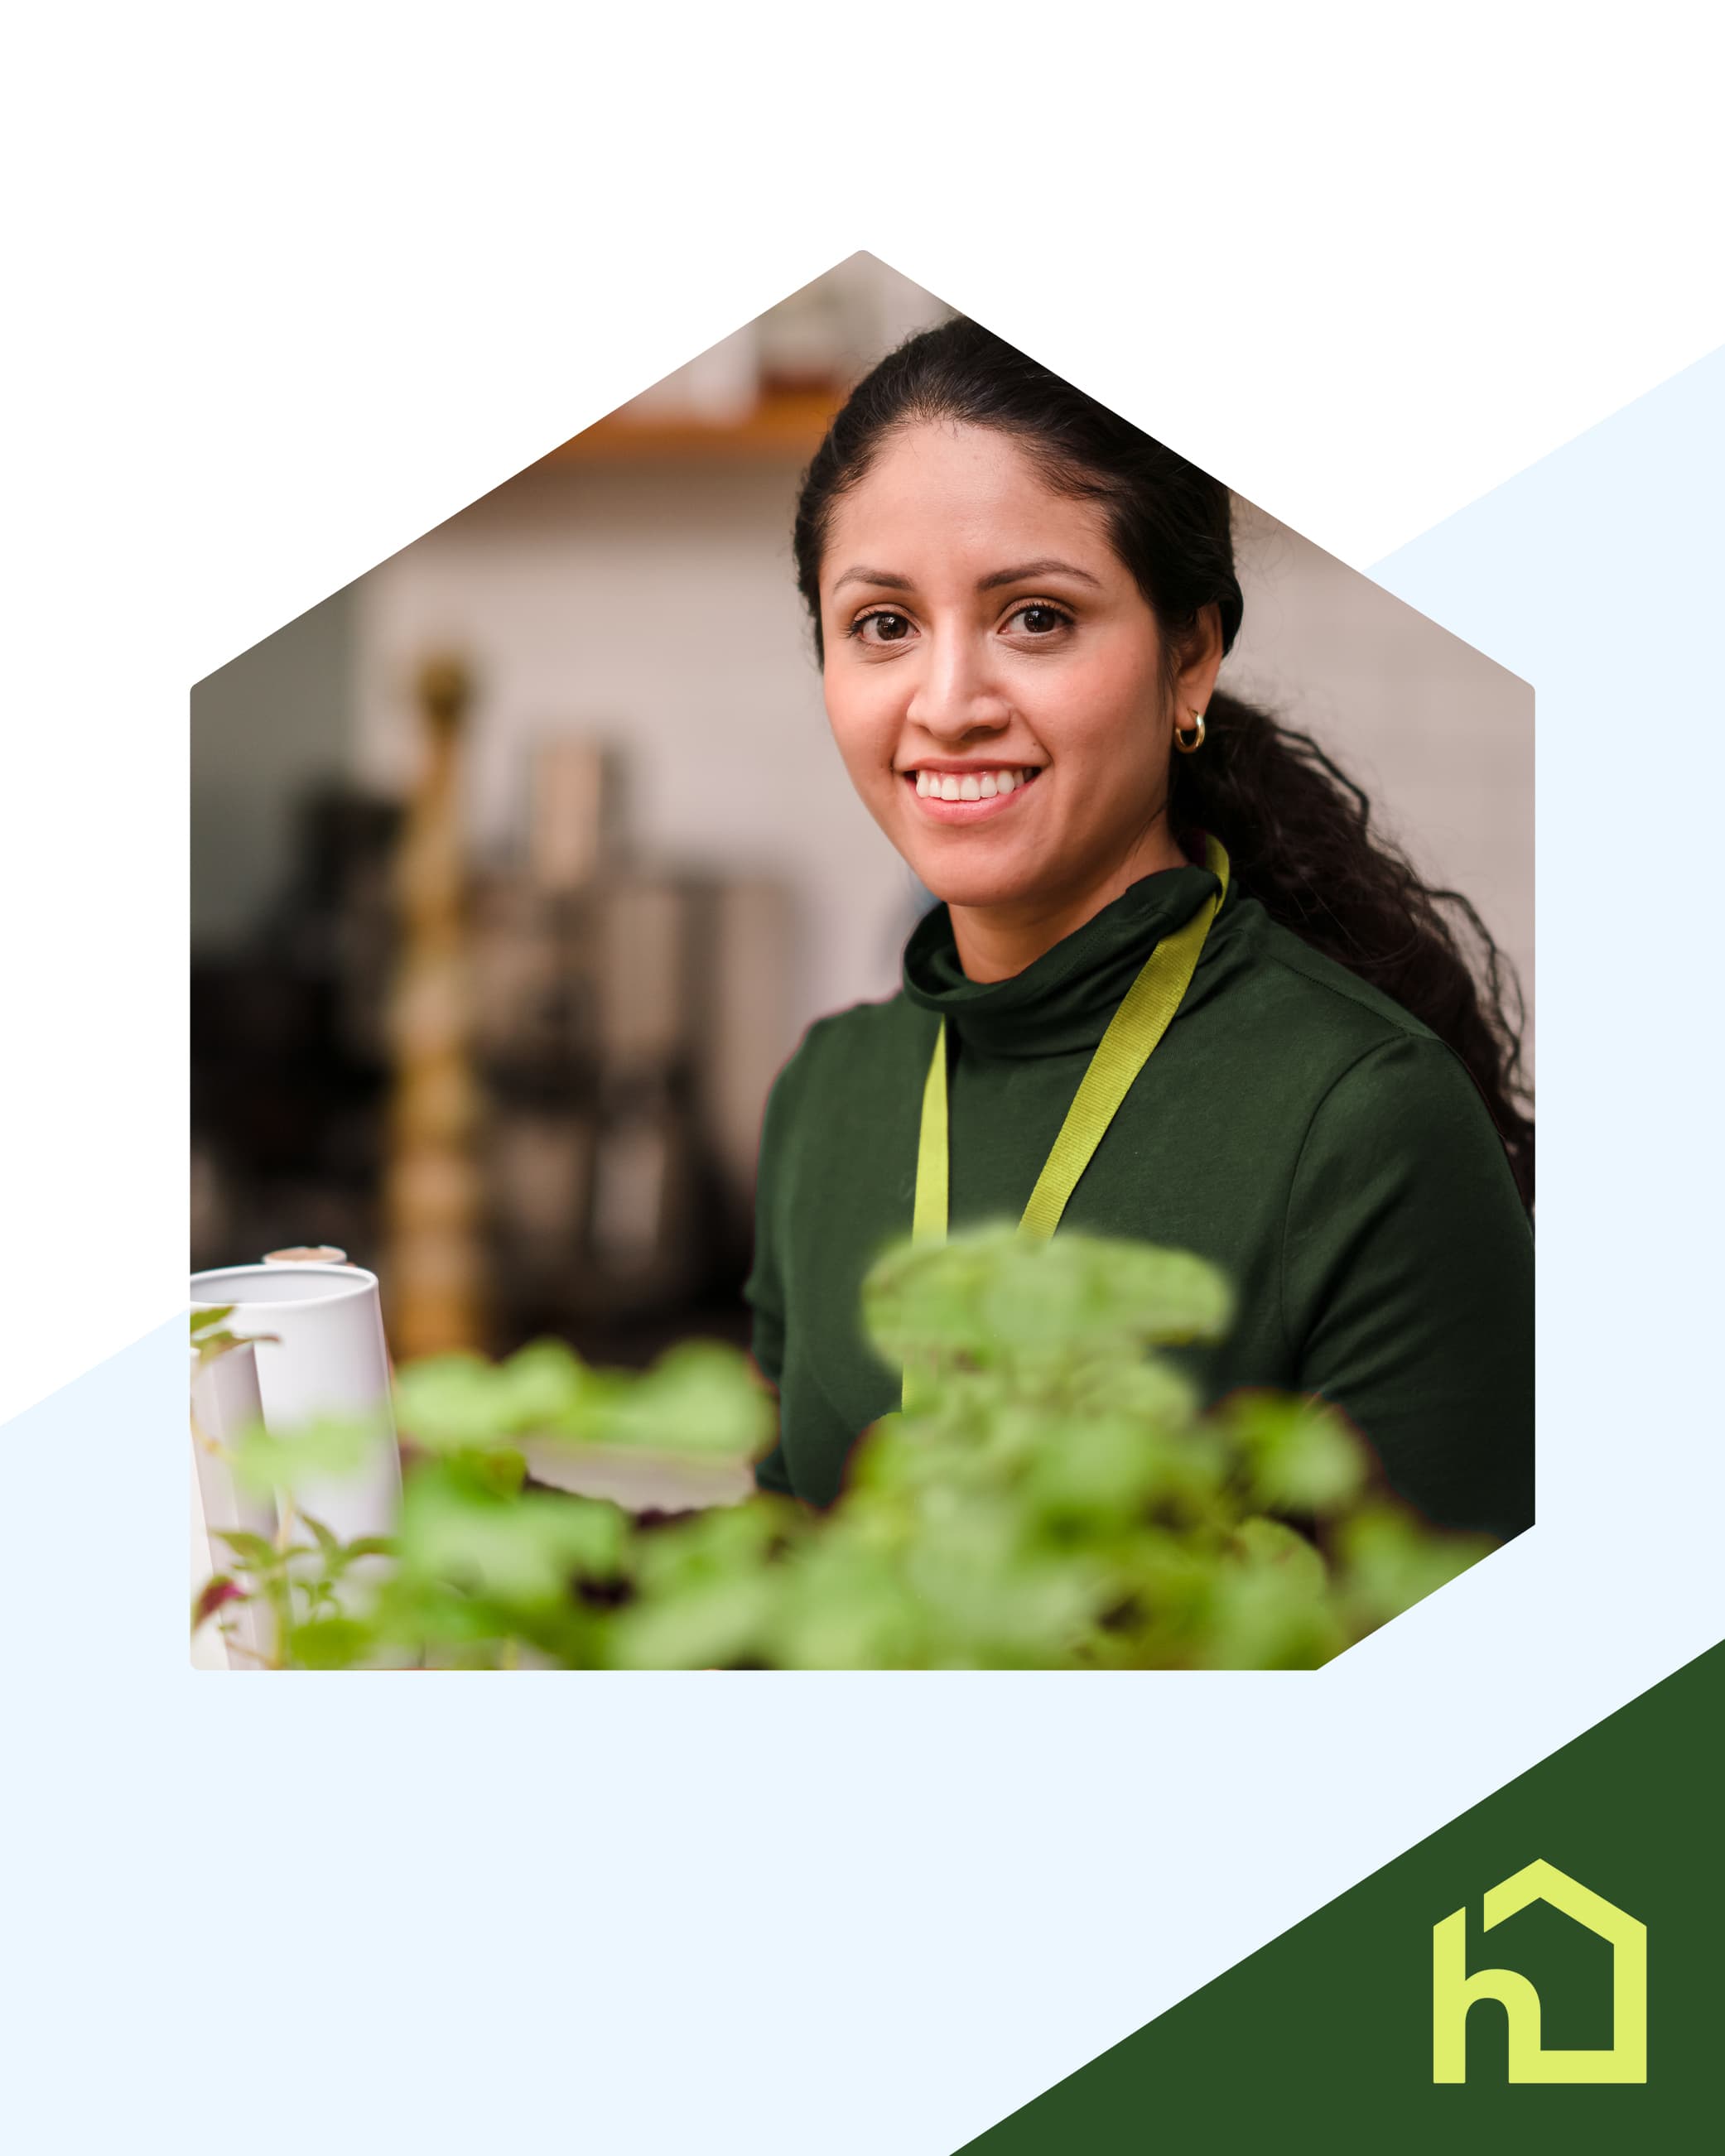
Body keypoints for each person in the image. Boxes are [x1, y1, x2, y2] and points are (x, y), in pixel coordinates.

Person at [744, 317, 1534, 1542]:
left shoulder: (1366, 1123)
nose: (946, 706)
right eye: (883, 625)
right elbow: (766, 1601)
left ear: (1191, 658)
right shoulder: (823, 1101)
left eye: (1037, 618)